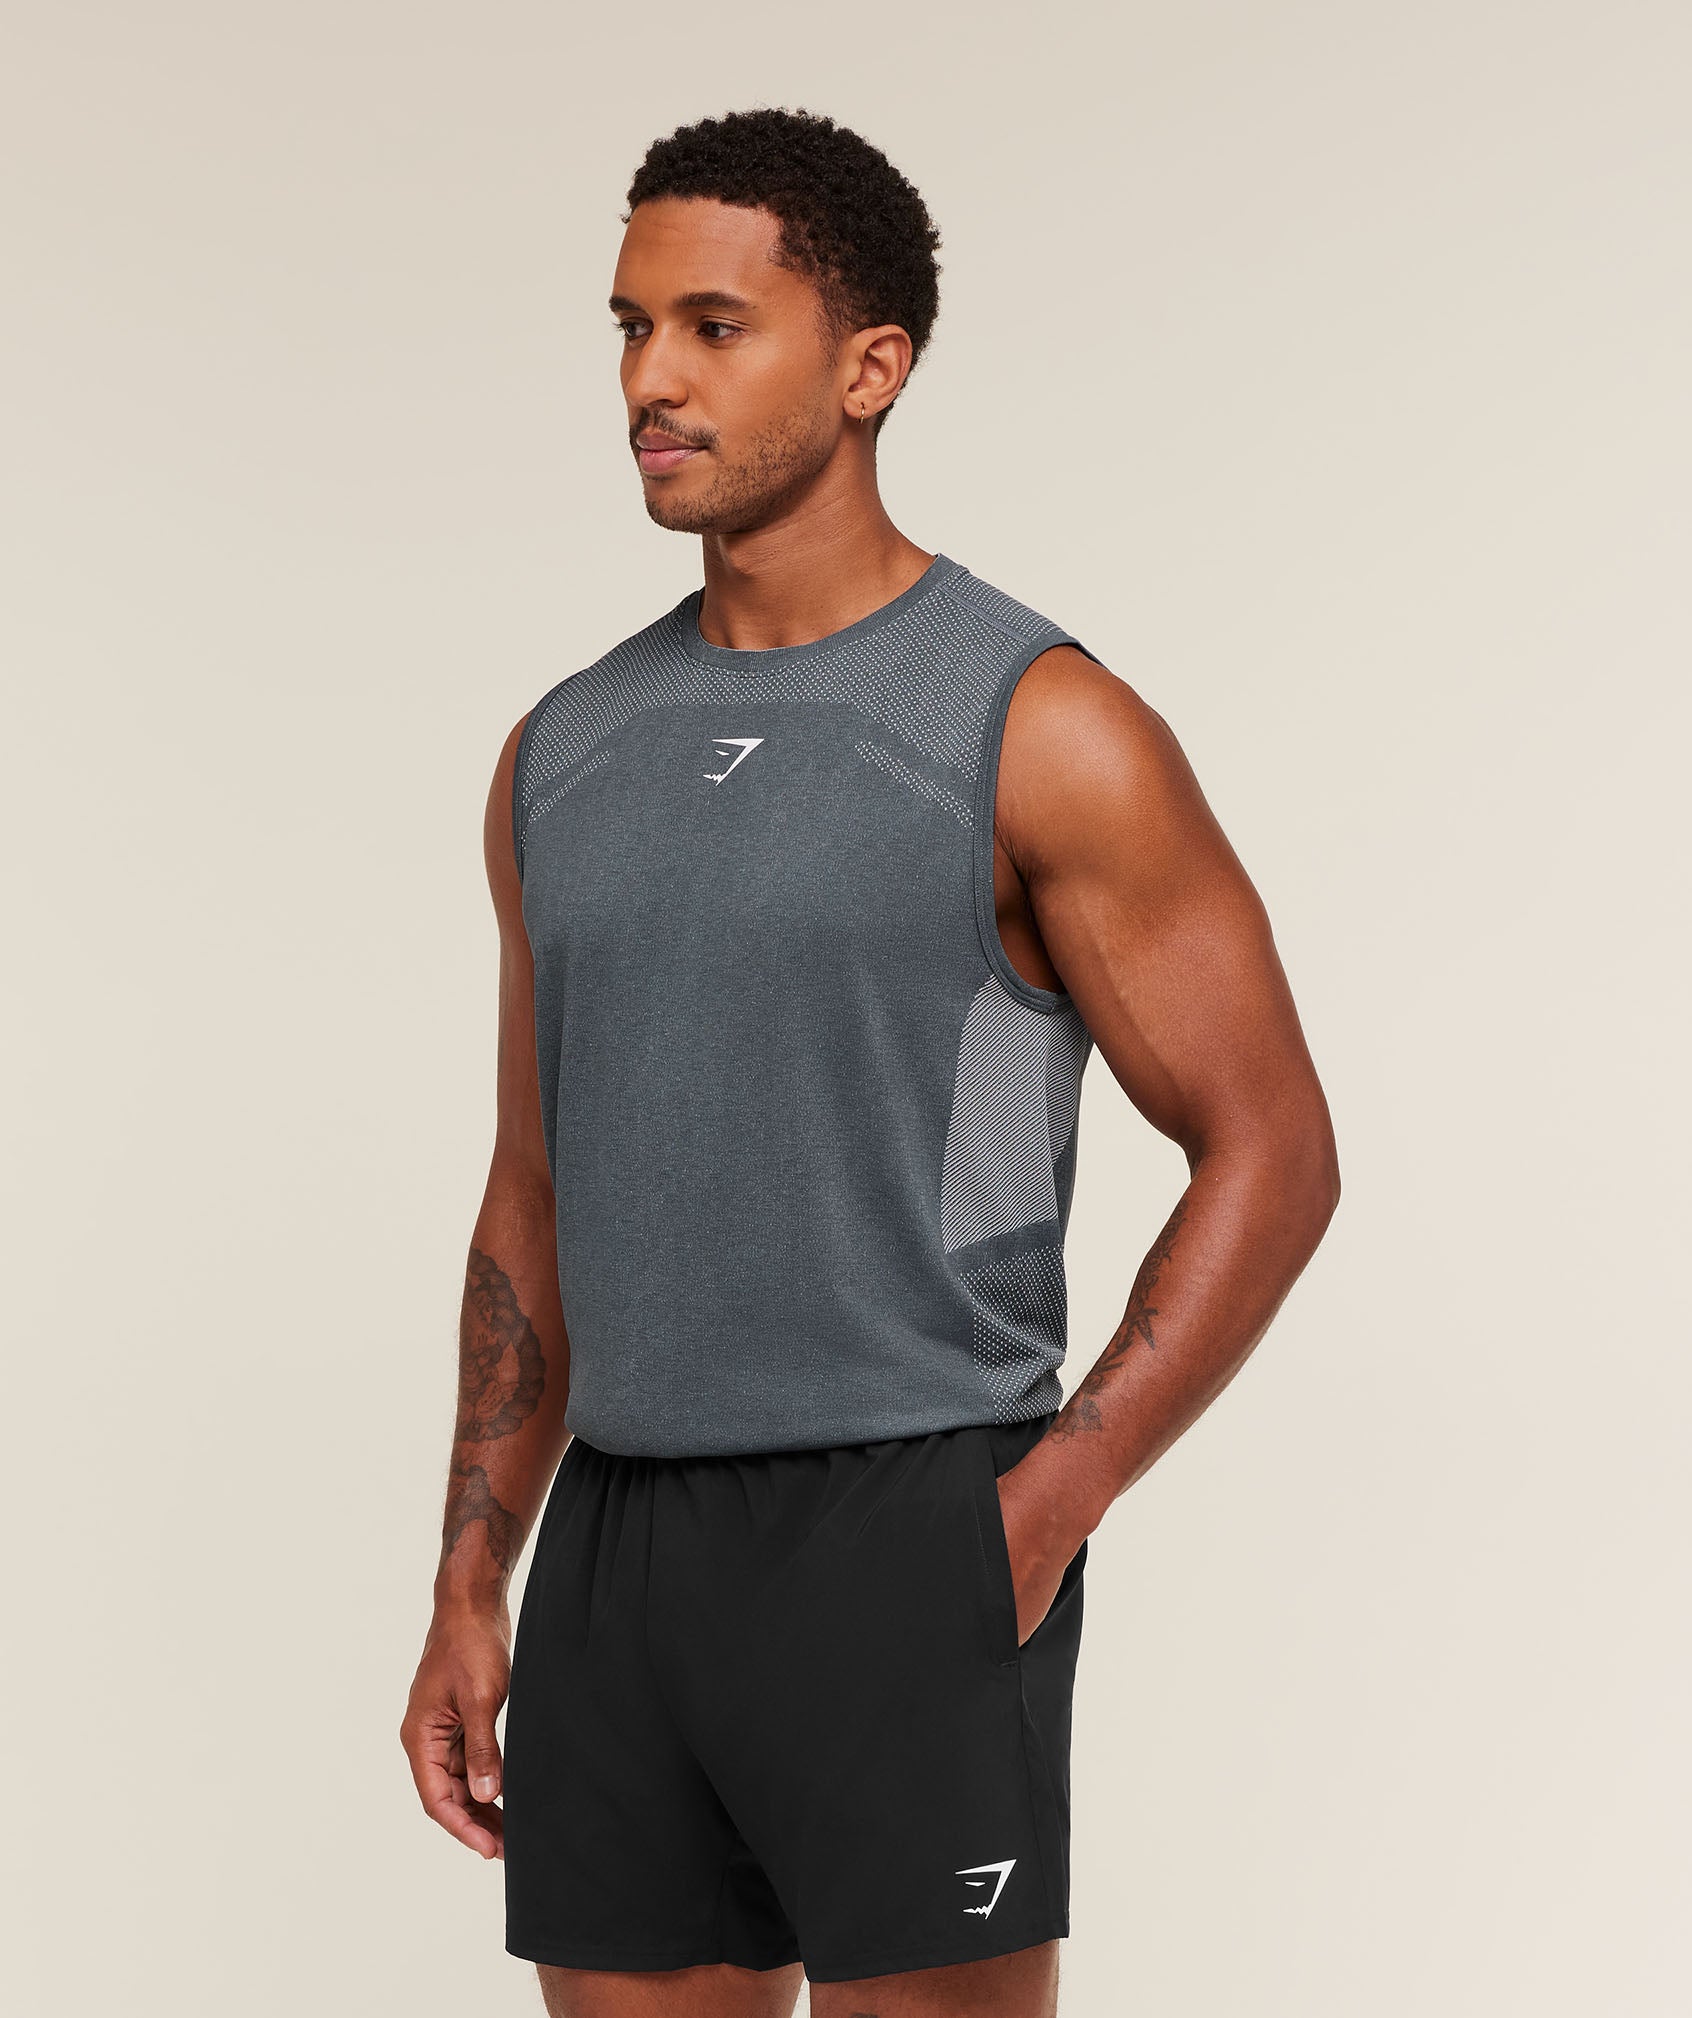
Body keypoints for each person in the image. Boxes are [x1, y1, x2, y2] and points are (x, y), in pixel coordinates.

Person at [401, 105, 1340, 2018]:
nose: (649, 380)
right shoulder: (560, 752)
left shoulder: (1039, 726)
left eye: (713, 327)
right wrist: (469, 1578)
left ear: (870, 367)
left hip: (910, 1514)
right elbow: (533, 1191)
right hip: (621, 1547)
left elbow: (1273, 1147)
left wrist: (1050, 1501)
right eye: (631, 326)